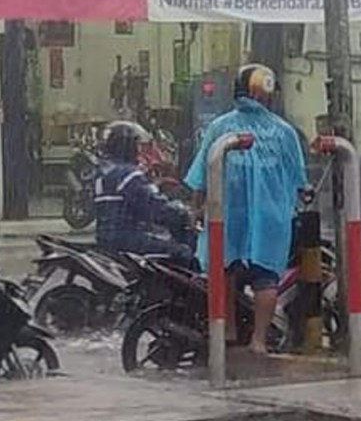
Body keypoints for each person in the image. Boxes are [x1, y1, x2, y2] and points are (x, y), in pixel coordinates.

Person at [185, 63, 306, 354]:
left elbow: (200, 175)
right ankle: (259, 341)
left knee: (225, 268)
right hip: (271, 217)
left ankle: (227, 328)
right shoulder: (285, 131)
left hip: (227, 213)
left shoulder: (220, 126)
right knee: (267, 277)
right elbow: (299, 180)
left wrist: (196, 209)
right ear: (266, 92)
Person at [94, 120, 193, 259]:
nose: (140, 150)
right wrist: (181, 212)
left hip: (104, 239)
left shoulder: (102, 174)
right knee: (183, 252)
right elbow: (154, 208)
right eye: (138, 145)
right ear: (129, 146)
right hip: (129, 239)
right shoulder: (129, 174)